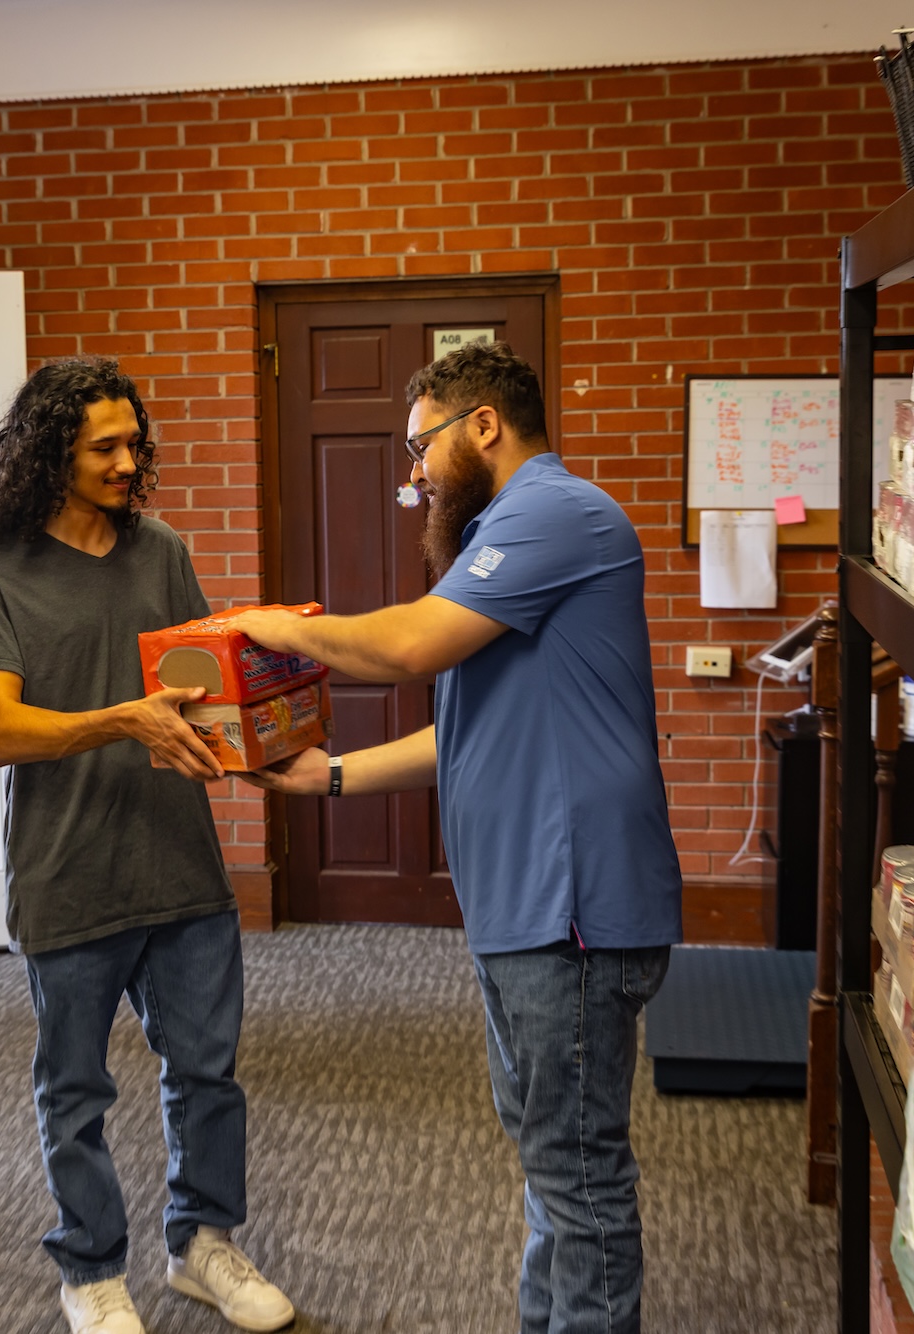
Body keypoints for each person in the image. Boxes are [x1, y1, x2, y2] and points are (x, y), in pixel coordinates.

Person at [230, 341, 683, 1334]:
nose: (412, 472)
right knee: (547, 1151)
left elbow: (401, 646)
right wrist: (332, 774)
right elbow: (464, 727)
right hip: (523, 904)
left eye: (418, 446)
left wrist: (277, 624)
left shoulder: (553, 512)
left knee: (575, 1168)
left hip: (568, 903)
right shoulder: (507, 534)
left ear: (483, 424)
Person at [0, 359, 294, 1334]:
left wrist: (254, 729)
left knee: (207, 1072)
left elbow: (192, 684)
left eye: (133, 442)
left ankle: (201, 1244)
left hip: (179, 862)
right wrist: (123, 722)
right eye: (104, 445)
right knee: (75, 1089)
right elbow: (1, 732)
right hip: (68, 871)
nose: (125, 460)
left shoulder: (161, 550)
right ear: (48, 448)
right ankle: (90, 1269)